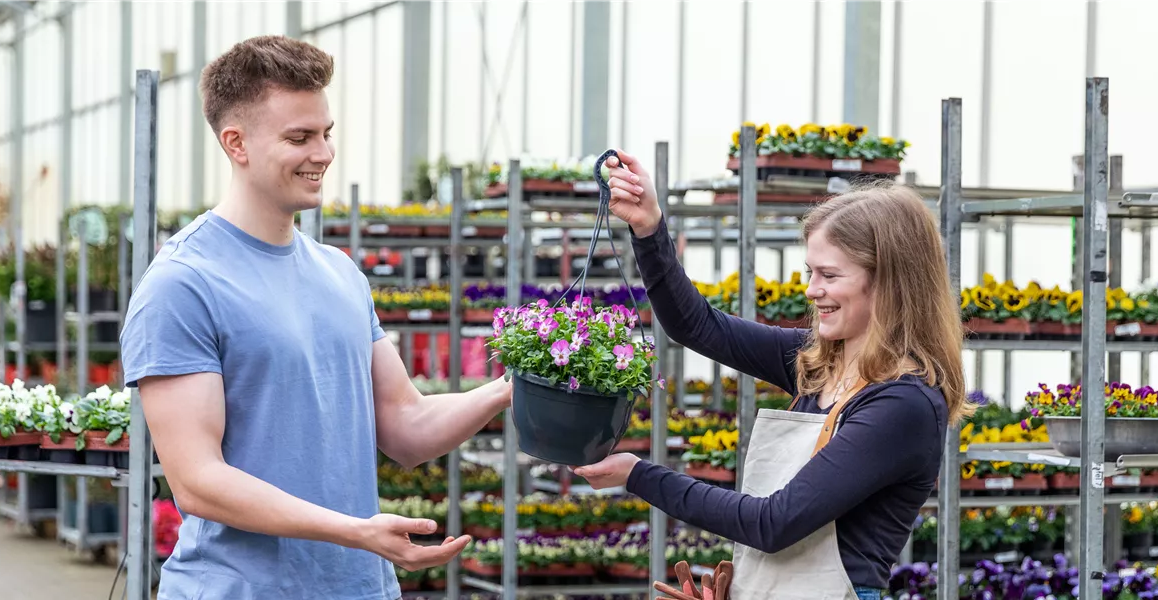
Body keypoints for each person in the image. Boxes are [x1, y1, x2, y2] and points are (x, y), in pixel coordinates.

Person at [121, 35, 510, 600]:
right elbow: (198, 482)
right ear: (236, 143)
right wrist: (354, 530)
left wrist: (509, 389)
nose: (323, 153)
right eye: (299, 138)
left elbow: (405, 426)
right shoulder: (183, 282)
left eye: (326, 133)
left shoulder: (341, 274)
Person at [574, 150, 972, 600]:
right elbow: (697, 326)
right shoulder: (820, 365)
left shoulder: (904, 404)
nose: (811, 290)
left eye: (829, 275)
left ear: (887, 283)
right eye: (810, 272)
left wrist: (638, 474)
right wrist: (648, 229)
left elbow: (774, 524)